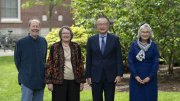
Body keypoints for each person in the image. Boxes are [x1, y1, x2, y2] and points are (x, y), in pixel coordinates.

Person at [85, 16, 124, 101]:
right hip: (95, 76)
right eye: (100, 24)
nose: (102, 26)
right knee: (96, 99)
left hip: (111, 76)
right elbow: (88, 58)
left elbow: (118, 57)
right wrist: (88, 76)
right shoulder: (91, 40)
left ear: (108, 25)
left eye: (104, 24)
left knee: (110, 99)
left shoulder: (115, 39)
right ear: (97, 26)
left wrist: (119, 74)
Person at [45, 26, 85, 101]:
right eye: (63, 33)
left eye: (67, 33)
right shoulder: (55, 47)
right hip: (58, 81)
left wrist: (82, 81)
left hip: (74, 81)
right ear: (60, 35)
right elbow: (49, 64)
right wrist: (49, 82)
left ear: (71, 35)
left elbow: (80, 63)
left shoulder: (76, 46)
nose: (65, 35)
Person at [14, 19, 47, 101]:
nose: (35, 28)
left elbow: (44, 59)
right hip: (26, 80)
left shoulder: (43, 41)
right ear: (29, 28)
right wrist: (25, 72)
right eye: (33, 26)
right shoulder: (21, 43)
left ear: (39, 28)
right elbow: (17, 61)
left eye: (37, 26)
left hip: (40, 79)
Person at [128, 23, 159, 101]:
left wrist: (149, 77)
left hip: (150, 78)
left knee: (149, 97)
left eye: (147, 32)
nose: (145, 34)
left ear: (150, 33)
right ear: (139, 33)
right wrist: (135, 76)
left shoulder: (154, 45)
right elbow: (130, 61)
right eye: (143, 32)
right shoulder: (134, 45)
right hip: (136, 77)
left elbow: (155, 62)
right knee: (136, 97)